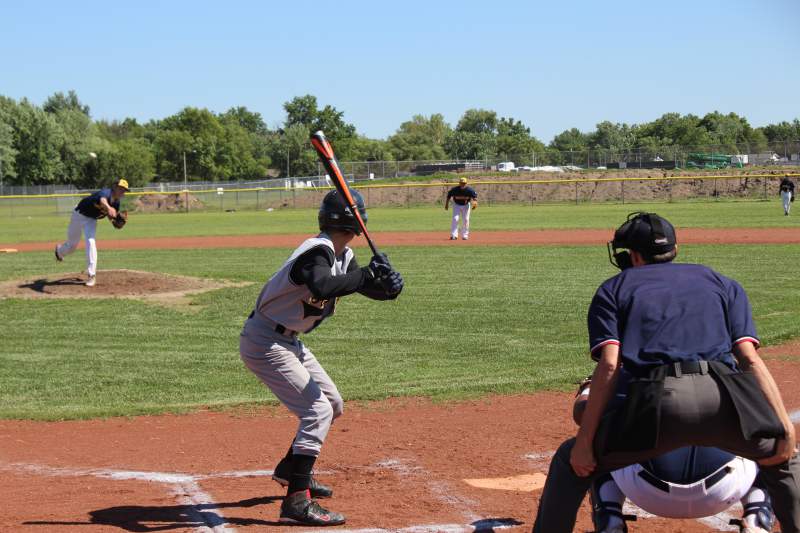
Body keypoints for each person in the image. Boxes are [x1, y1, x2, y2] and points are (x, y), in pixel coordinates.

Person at [531, 211, 800, 533]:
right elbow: (750, 359)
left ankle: (606, 514)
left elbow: (610, 364)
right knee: (784, 461)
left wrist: (585, 443)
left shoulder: (615, 288)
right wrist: (784, 430)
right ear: (674, 248)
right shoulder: (720, 282)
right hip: (722, 395)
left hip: (657, 402)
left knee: (568, 460)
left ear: (631, 254)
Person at [239, 188, 403, 526]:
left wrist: (387, 287)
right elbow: (323, 286)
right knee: (317, 411)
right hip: (266, 340)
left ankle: (290, 469)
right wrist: (368, 275)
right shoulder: (317, 252)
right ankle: (296, 503)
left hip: (287, 341)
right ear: (356, 220)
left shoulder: (342, 255)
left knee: (333, 404)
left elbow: (355, 284)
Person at [574, 378, 775, 533]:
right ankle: (757, 516)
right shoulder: (727, 370)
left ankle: (610, 519)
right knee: (768, 440)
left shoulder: (635, 367)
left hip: (645, 491)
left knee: (596, 435)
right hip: (724, 490)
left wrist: (588, 389)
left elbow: (583, 413)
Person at [54, 179, 129, 287]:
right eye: (121, 188)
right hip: (78, 215)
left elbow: (110, 216)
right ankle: (59, 251)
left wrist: (116, 222)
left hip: (91, 220)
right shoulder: (106, 193)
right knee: (72, 245)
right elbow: (102, 200)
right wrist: (109, 208)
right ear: (114, 187)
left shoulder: (116, 203)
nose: (122, 191)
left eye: (124, 190)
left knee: (91, 242)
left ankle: (91, 275)